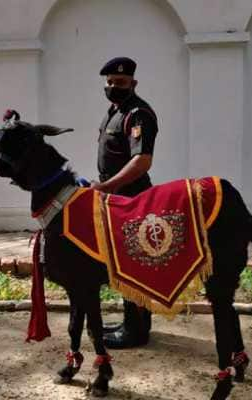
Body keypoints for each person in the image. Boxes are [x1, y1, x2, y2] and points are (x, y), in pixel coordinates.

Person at [92, 57, 158, 349]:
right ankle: (133, 322)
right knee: (123, 262)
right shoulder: (115, 112)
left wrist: (107, 186)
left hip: (132, 199)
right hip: (117, 199)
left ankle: (136, 330)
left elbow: (142, 161)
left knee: (133, 264)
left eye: (119, 82)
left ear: (133, 83)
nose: (113, 87)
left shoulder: (138, 114)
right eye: (109, 82)